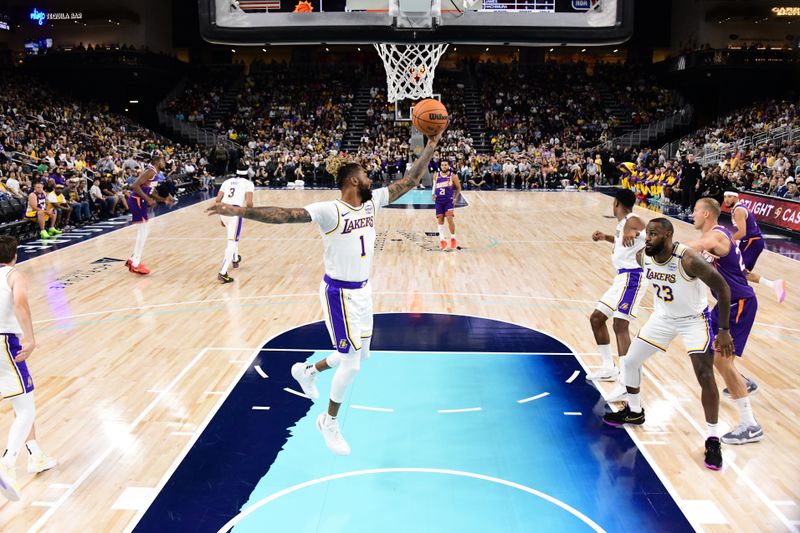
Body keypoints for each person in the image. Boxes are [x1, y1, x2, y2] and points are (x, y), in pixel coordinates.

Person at [207, 131, 443, 455]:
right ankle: (328, 422)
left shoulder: (374, 202)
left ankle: (306, 371)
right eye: (365, 173)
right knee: (352, 363)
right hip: (339, 294)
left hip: (363, 291)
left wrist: (431, 144)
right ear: (352, 181)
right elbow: (284, 216)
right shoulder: (329, 211)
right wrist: (242, 211)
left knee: (361, 355)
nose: (370, 176)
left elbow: (412, 179)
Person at [602, 218, 733, 471]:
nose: (648, 238)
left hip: (694, 320)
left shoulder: (689, 260)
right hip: (662, 318)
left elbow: (723, 288)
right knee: (630, 361)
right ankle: (635, 411)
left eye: (653, 234)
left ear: (668, 235)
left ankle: (713, 438)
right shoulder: (643, 257)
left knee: (705, 374)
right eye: (647, 234)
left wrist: (724, 330)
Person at [687, 198, 763, 444]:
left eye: (696, 210)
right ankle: (742, 381)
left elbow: (694, 247)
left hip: (738, 303)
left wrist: (663, 246)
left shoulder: (717, 236)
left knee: (721, 361)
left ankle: (749, 425)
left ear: (707, 214)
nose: (693, 213)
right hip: (724, 303)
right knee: (713, 354)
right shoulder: (718, 236)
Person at [0, 236, 57, 502]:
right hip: (4, 343)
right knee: (26, 408)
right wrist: (31, 337)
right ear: (15, 255)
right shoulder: (14, 275)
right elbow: (21, 303)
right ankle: (7, 462)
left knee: (21, 401)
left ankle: (35, 454)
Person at [588, 189, 646, 402]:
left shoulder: (633, 220)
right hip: (621, 280)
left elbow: (650, 232)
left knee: (620, 326)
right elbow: (624, 240)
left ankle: (626, 382)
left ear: (616, 203)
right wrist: (606, 237)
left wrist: (638, 233)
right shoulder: (624, 224)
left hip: (633, 278)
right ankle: (608, 368)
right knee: (597, 318)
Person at [722, 191, 785, 303]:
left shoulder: (739, 210)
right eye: (725, 196)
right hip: (749, 242)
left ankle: (741, 297)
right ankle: (773, 285)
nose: (726, 199)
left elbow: (742, 232)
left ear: (736, 197)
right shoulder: (736, 208)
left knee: (737, 271)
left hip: (752, 242)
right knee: (742, 272)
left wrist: (728, 240)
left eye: (729, 196)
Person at [127, 154, 173, 275]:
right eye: (163, 160)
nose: (165, 163)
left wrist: (163, 200)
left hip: (140, 201)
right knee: (143, 231)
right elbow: (134, 185)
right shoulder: (150, 171)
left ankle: (133, 259)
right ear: (158, 162)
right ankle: (135, 263)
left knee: (145, 231)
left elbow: (151, 191)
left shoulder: (155, 174)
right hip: (136, 200)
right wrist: (148, 199)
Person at [214, 164, 254, 284]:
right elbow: (249, 203)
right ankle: (222, 273)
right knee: (232, 242)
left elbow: (217, 199)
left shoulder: (228, 181)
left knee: (233, 236)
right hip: (235, 212)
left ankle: (235, 259)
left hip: (223, 210)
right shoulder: (248, 184)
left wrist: (221, 216)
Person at [432, 160, 461, 251]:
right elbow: (434, 186)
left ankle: (453, 238)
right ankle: (442, 240)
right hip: (439, 201)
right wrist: (433, 194)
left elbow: (459, 187)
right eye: (442, 165)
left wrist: (455, 198)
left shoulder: (453, 176)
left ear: (448, 166)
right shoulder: (436, 175)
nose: (444, 166)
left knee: (449, 218)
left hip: (448, 200)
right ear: (440, 166)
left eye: (445, 165)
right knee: (440, 220)